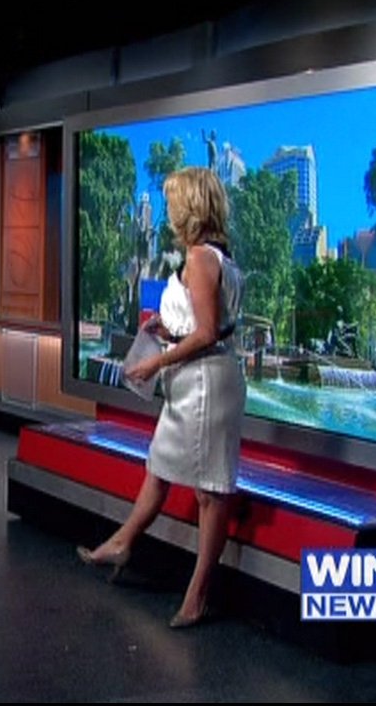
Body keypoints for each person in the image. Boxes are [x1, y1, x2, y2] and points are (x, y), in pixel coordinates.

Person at [78, 166, 246, 629]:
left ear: (190, 206)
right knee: (159, 467)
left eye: (173, 201)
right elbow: (211, 327)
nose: (169, 210)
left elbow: (207, 333)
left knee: (210, 491)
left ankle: (197, 595)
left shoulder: (201, 257)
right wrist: (168, 333)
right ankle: (123, 542)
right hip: (197, 381)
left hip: (205, 385)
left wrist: (155, 363)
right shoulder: (216, 257)